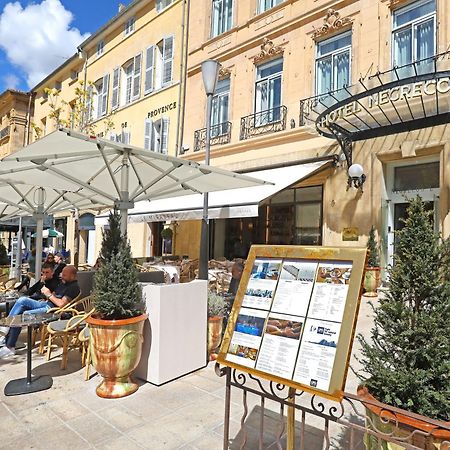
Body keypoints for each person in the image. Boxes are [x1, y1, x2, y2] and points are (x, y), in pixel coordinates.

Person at [0, 265, 80, 359]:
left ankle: (10, 346)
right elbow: (54, 295)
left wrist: (48, 294)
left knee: (23, 315)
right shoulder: (64, 283)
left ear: (73, 276)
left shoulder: (73, 287)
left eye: (65, 275)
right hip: (46, 304)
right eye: (62, 273)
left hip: (53, 311)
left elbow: (61, 304)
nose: (62, 276)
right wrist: (46, 297)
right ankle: (6, 329)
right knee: (22, 300)